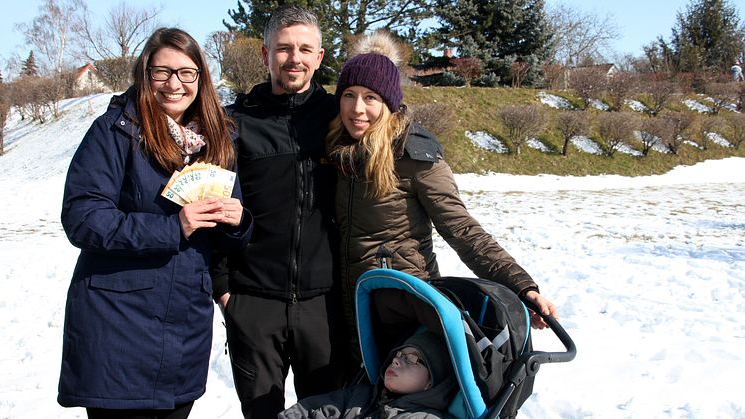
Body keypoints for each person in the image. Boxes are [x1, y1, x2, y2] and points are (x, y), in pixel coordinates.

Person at [326, 32, 559, 363]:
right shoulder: (336, 152)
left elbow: (464, 230)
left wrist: (523, 287)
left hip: (402, 308)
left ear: (389, 103)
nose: (358, 108)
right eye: (349, 94)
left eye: (371, 97)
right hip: (345, 309)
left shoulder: (415, 157)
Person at [57, 28, 253, 419]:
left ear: (201, 77)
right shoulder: (114, 131)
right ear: (144, 75)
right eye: (161, 72)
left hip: (183, 327)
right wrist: (172, 227)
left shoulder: (217, 139)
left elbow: (227, 232)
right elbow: (83, 218)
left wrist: (237, 222)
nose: (174, 84)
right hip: (118, 326)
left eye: (186, 72)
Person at [209, 5, 346, 418]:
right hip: (253, 303)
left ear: (319, 57)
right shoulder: (234, 123)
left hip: (325, 306)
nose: (295, 58)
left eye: (306, 48)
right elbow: (211, 206)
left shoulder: (339, 118)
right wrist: (224, 291)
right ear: (266, 54)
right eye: (284, 48)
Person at [279, 330, 458, 419]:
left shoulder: (425, 418)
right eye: (398, 354)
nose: (396, 360)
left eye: (412, 359)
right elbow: (308, 411)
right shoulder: (360, 396)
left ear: (431, 381)